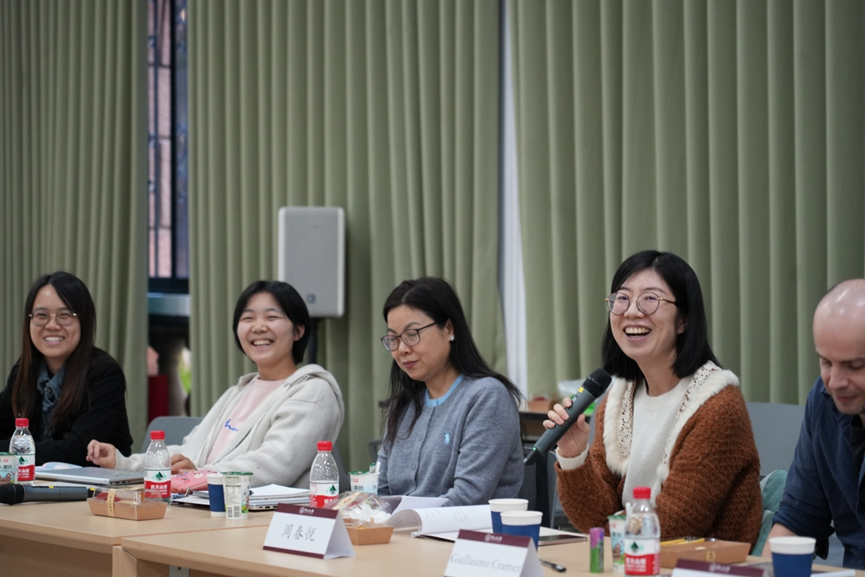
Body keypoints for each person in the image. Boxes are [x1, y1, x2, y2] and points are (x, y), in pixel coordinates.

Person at [545, 250, 762, 544]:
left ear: (683, 320)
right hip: (630, 557)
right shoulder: (618, 400)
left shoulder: (717, 405)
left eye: (650, 299)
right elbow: (593, 519)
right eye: (622, 299)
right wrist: (573, 456)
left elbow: (675, 525)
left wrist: (610, 529)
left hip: (700, 564)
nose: (632, 312)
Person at [87, 280, 345, 488]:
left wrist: (201, 476)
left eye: (271, 317)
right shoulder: (239, 391)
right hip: (203, 506)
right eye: (248, 319)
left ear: (298, 330)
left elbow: (275, 462)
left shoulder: (314, 390)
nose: (258, 327)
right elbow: (191, 453)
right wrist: (122, 462)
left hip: (261, 519)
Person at [376, 277, 524, 506]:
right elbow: (381, 490)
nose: (402, 349)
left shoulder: (486, 397)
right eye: (393, 339)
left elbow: (468, 497)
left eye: (412, 334)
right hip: (402, 527)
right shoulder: (402, 405)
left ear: (448, 328)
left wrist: (401, 521)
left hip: (468, 528)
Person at [767, 279, 865, 569]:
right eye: (826, 362)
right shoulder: (823, 400)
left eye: (854, 366)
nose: (835, 382)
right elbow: (798, 519)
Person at [0, 272, 133, 466]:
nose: (52, 325)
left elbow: (78, 450)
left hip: (91, 483)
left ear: (84, 321)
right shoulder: (25, 370)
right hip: (35, 480)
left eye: (64, 316)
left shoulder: (104, 374)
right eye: (41, 315)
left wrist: (10, 450)